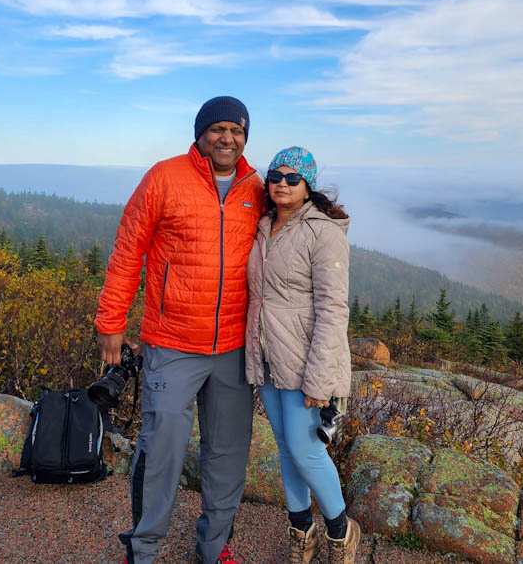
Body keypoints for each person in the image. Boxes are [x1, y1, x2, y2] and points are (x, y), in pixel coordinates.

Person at [94, 96, 266, 564]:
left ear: (245, 137)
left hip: (234, 347)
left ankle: (213, 548)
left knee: (228, 453)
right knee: (161, 446)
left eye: (236, 130)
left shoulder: (257, 187)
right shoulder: (165, 177)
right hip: (172, 343)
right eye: (217, 129)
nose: (226, 138)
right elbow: (128, 249)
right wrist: (111, 320)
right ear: (200, 133)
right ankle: (143, 548)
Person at [243, 146, 360, 564]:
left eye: (293, 178)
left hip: (307, 363)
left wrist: (319, 379)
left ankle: (341, 533)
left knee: (305, 448)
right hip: (269, 358)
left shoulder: (322, 232)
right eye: (275, 175)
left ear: (307, 184)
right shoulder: (264, 227)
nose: (282, 183)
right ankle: (300, 530)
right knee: (285, 446)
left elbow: (333, 310)